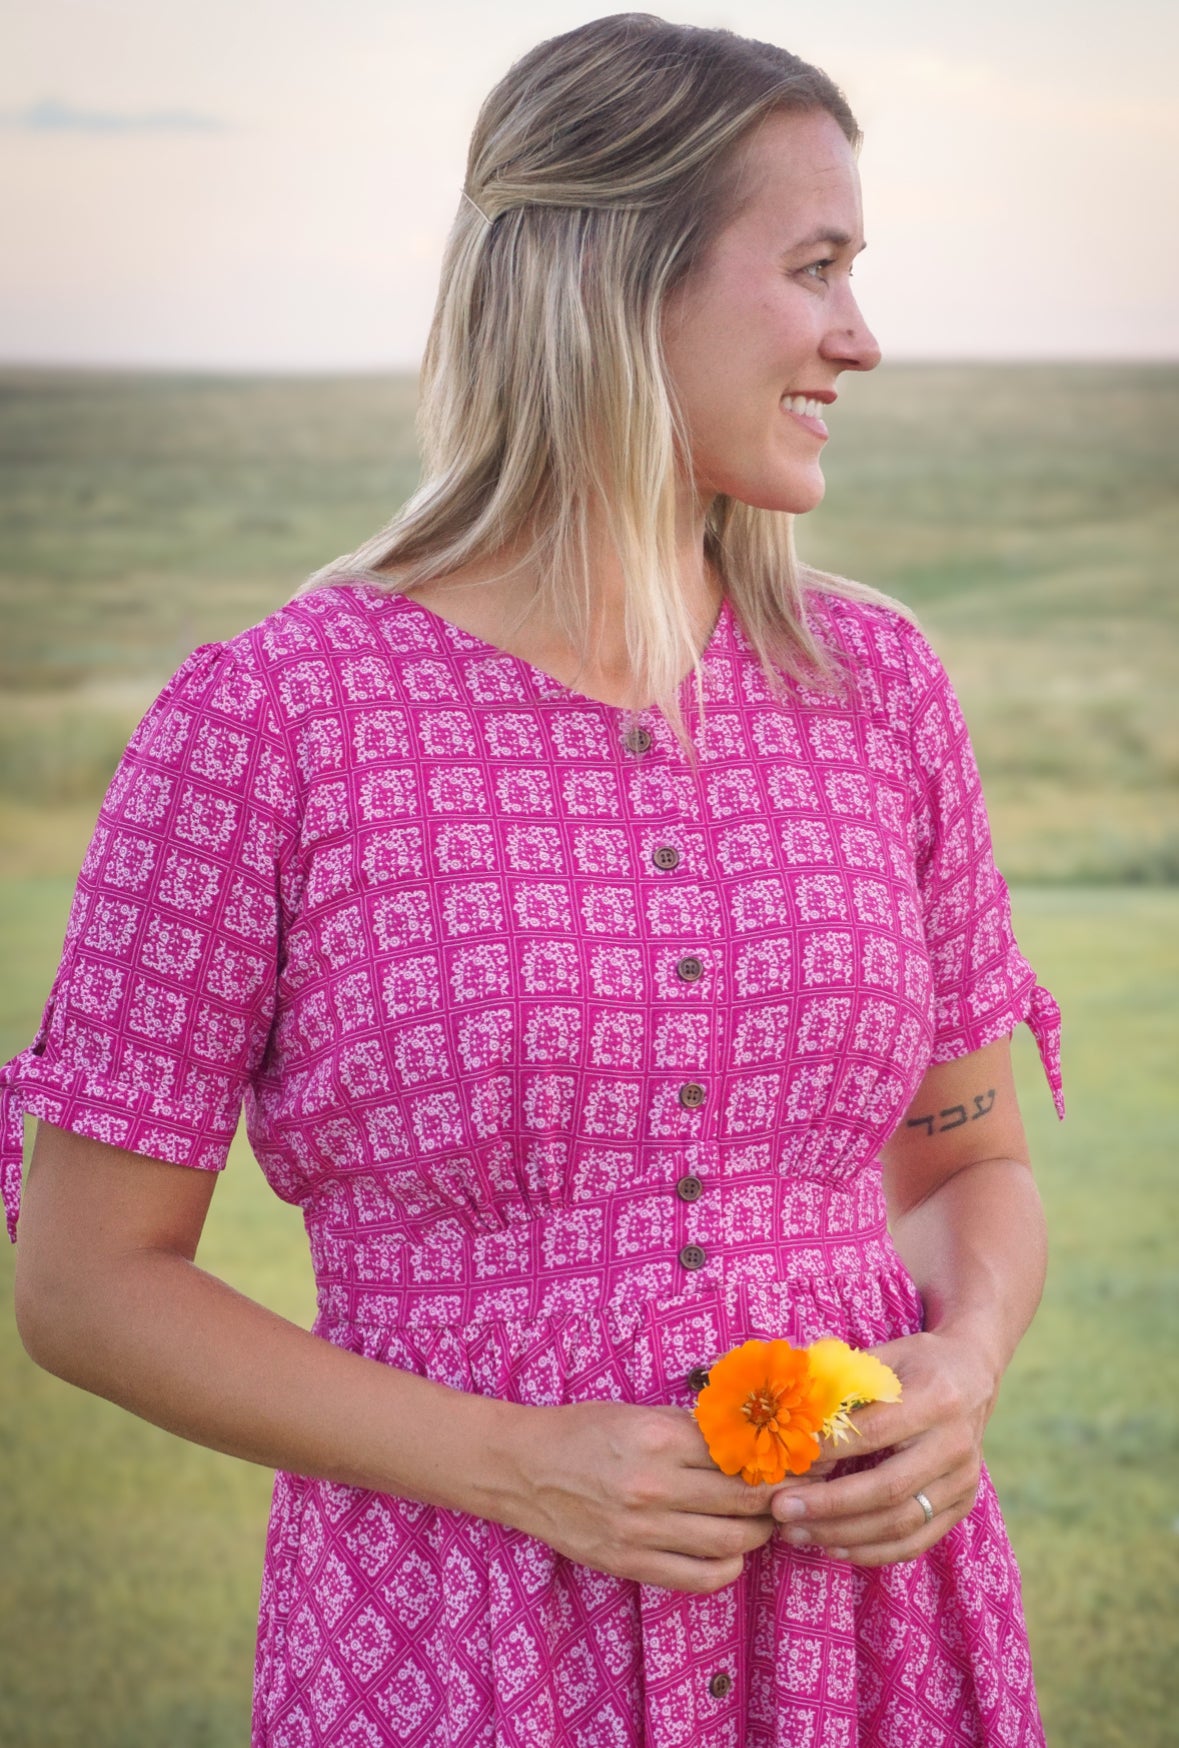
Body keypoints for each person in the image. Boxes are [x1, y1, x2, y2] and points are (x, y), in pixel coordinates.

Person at [2, 14, 1064, 1747]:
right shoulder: (268, 723)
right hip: (453, 1644)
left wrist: (960, 1370)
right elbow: (86, 1280)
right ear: (612, 280)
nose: (861, 338)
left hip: (868, 1642)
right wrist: (517, 1468)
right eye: (814, 268)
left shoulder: (882, 690)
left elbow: (967, 1165)